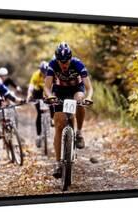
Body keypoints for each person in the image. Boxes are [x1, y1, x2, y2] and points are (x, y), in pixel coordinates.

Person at [44, 42, 93, 178]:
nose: (64, 64)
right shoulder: (52, 64)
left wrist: (88, 97)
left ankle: (79, 132)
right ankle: (58, 163)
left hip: (76, 89)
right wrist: (50, 96)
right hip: (59, 90)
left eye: (66, 61)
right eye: (61, 61)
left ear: (71, 59)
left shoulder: (78, 64)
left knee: (80, 100)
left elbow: (89, 87)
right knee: (59, 125)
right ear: (57, 60)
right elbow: (47, 87)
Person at [26, 61, 53, 147]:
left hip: (47, 91)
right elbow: (31, 86)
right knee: (39, 113)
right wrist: (29, 95)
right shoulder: (36, 75)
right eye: (43, 72)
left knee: (52, 102)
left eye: (46, 72)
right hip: (37, 92)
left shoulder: (51, 74)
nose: (45, 74)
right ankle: (38, 135)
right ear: (40, 71)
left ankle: (52, 118)